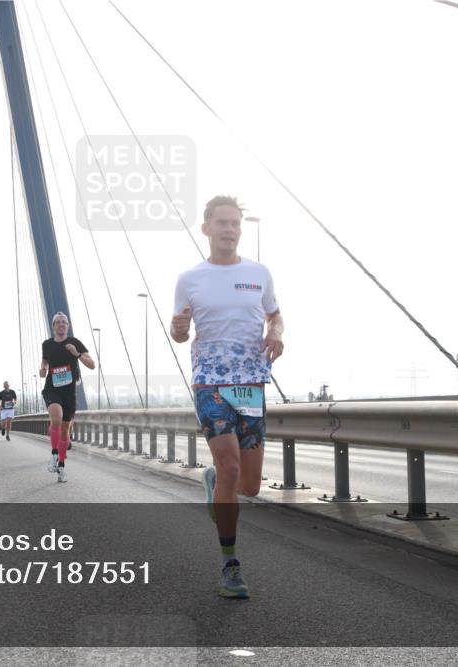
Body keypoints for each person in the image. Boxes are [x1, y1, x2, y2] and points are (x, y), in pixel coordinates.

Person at [171, 195, 284, 599]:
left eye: (235, 223)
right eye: (222, 223)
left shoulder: (259, 273)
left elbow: (275, 314)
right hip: (210, 384)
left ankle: (215, 481)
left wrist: (275, 332)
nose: (230, 230)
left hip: (251, 385)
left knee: (249, 486)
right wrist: (179, 328)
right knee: (231, 466)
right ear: (206, 229)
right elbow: (179, 332)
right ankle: (230, 565)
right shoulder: (190, 278)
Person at [40, 312, 95, 482]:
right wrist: (43, 368)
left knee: (65, 431)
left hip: (69, 392)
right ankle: (54, 455)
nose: (61, 324)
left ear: (68, 326)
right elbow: (45, 360)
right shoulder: (47, 344)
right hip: (52, 389)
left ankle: (61, 467)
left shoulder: (75, 342)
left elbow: (92, 365)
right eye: (58, 322)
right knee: (56, 419)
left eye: (64, 322)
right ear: (53, 326)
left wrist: (76, 353)